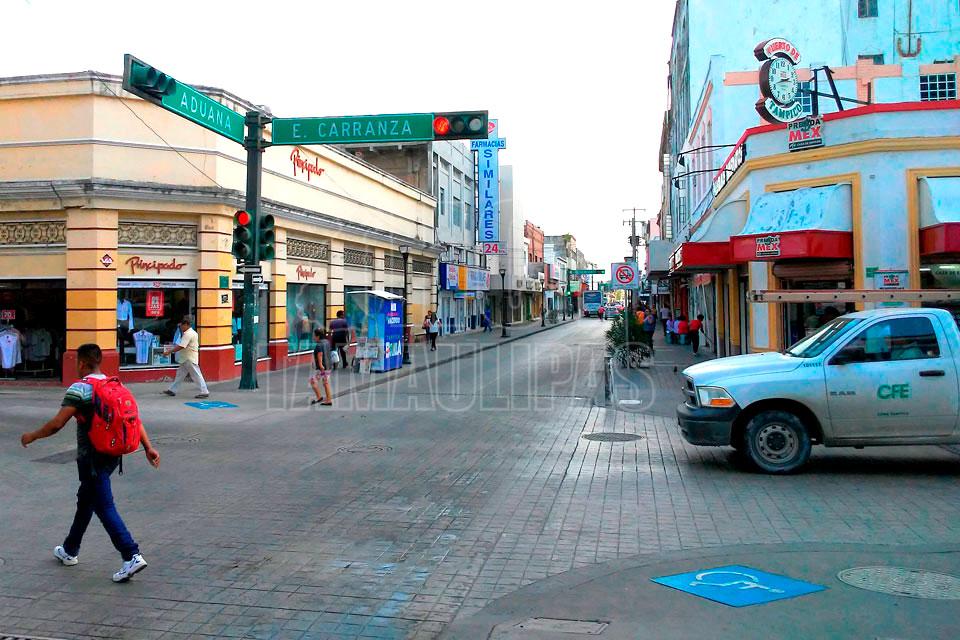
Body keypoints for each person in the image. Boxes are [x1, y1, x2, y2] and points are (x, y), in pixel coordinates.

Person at [20, 343, 160, 583]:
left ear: (82, 363)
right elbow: (133, 420)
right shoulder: (115, 385)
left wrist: (32, 436)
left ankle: (131, 555)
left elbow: (57, 424)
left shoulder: (81, 388)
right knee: (86, 500)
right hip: (112, 455)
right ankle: (69, 550)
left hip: (91, 459)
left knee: (103, 505)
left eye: (77, 362)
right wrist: (148, 447)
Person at [163, 315, 209, 398]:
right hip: (185, 358)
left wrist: (169, 351)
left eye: (181, 326)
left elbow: (181, 346)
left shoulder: (188, 334)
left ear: (186, 325)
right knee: (180, 375)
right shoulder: (191, 333)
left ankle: (204, 391)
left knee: (196, 375)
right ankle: (172, 390)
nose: (181, 328)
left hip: (189, 358)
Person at [309, 328, 333, 406]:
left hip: (322, 368)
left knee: (313, 381)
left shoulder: (319, 345)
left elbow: (320, 354)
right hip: (328, 366)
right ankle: (325, 398)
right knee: (325, 383)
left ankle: (324, 399)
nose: (314, 337)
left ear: (318, 336)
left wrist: (320, 365)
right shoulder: (327, 342)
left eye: (314, 336)